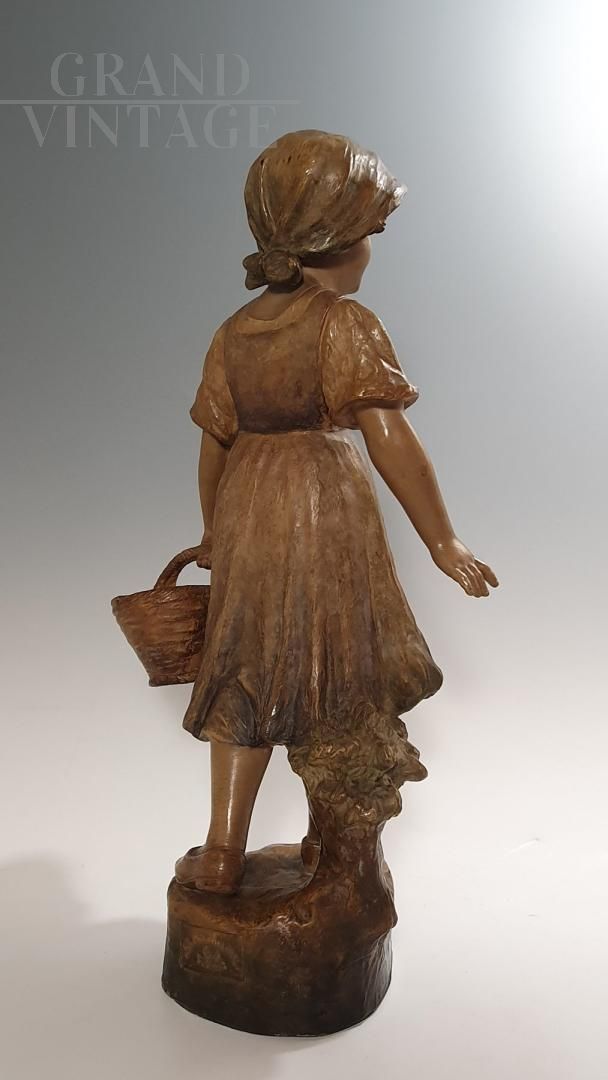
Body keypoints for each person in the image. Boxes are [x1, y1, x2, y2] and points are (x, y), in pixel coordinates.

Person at [175, 130, 498, 895]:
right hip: (324, 514)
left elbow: (214, 447)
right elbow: (391, 440)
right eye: (371, 234)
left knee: (246, 673)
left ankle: (221, 852)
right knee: (336, 676)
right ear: (339, 240)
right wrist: (443, 539)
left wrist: (215, 530)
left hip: (250, 509)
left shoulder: (233, 333)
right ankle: (334, 842)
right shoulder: (344, 323)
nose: (371, 252)